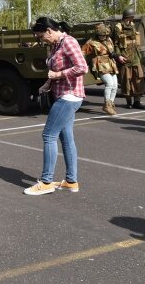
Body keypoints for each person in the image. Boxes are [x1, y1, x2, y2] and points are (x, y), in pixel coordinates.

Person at [24, 17, 88, 196]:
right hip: (64, 94)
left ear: (49, 31)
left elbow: (82, 67)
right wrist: (48, 83)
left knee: (48, 135)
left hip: (69, 96)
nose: (40, 39)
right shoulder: (56, 45)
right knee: (66, 138)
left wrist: (59, 74)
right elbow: (55, 71)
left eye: (41, 36)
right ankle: (70, 181)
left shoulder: (68, 42)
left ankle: (46, 182)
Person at [112, 8, 145, 109]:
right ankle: (129, 102)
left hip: (135, 57)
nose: (132, 19)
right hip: (125, 57)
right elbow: (115, 44)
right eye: (131, 17)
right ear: (127, 17)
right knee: (126, 80)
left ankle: (137, 102)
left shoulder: (132, 26)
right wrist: (119, 56)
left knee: (138, 79)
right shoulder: (118, 27)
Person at [81, 23, 119, 115]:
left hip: (110, 63)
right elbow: (82, 53)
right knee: (109, 84)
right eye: (102, 35)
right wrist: (83, 64)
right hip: (100, 64)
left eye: (105, 35)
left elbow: (112, 50)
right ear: (97, 34)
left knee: (115, 85)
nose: (104, 37)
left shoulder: (109, 40)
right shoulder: (91, 42)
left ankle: (111, 103)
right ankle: (106, 105)